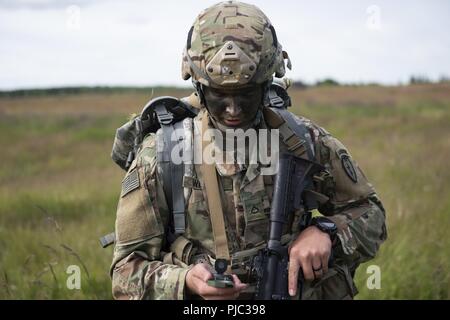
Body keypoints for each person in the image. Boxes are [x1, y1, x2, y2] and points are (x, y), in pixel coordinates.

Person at [110, 0, 387, 300]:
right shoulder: (162, 155)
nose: (232, 109)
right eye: (218, 94)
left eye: (246, 94)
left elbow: (371, 213)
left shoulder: (303, 141)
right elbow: (125, 272)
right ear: (199, 86)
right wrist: (186, 281)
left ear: (268, 81)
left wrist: (328, 234)